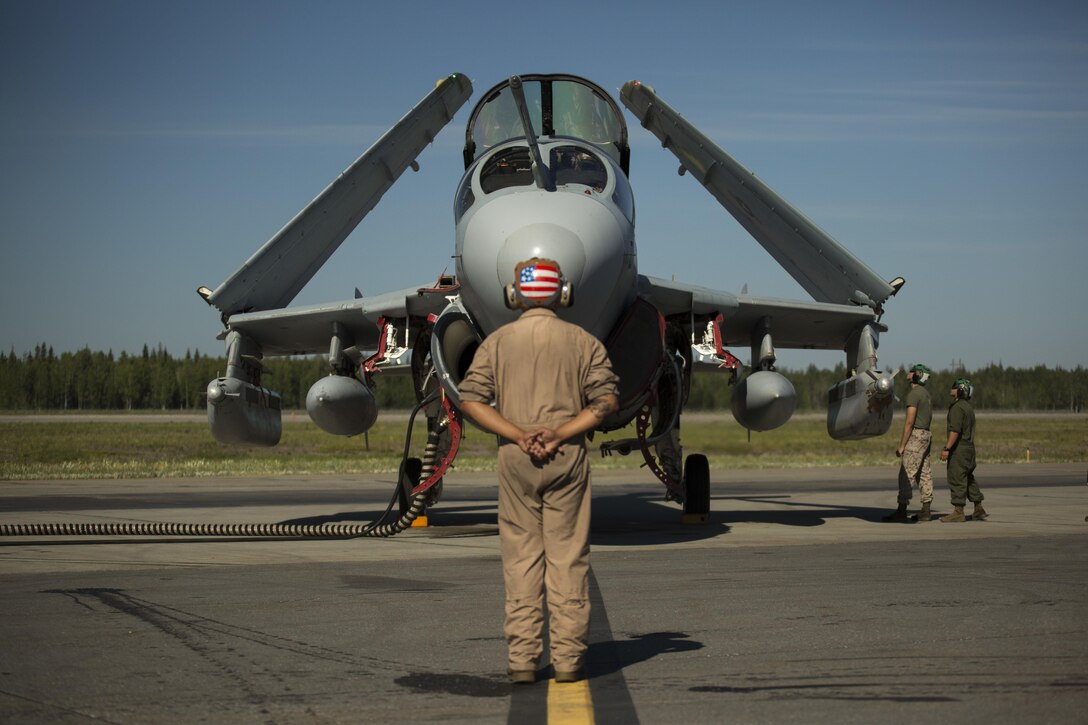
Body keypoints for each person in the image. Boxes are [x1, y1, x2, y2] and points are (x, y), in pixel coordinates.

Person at [458, 258, 620, 685]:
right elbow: (606, 404)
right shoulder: (584, 342)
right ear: (563, 293)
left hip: (516, 460)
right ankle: (568, 661)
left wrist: (518, 434)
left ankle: (523, 661)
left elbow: (470, 400)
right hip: (567, 456)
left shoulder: (496, 343)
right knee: (567, 559)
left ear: (514, 295)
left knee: (521, 560)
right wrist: (559, 433)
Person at [884, 364, 934, 522]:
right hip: (926, 434)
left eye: (912, 370)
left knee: (907, 473)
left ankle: (901, 510)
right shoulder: (925, 393)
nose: (909, 372)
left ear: (917, 375)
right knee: (924, 473)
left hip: (916, 435)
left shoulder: (913, 394)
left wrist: (902, 446)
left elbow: (909, 422)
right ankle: (926, 510)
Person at [939, 378, 987, 522]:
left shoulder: (957, 407)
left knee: (957, 478)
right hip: (969, 449)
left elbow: (955, 431)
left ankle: (958, 511)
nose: (951, 389)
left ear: (960, 390)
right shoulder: (967, 407)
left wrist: (947, 448)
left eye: (954, 387)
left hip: (959, 449)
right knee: (969, 478)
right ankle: (978, 508)